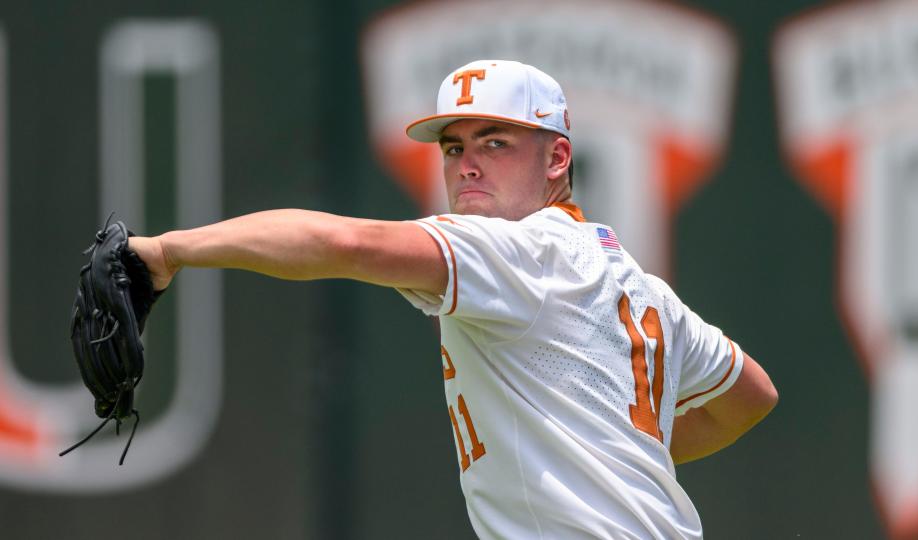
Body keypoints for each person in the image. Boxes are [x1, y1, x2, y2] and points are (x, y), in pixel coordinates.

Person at [129, 59, 777, 539]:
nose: (467, 163)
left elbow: (344, 242)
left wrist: (167, 251)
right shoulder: (636, 284)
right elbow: (749, 397)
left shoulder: (514, 251)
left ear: (557, 159)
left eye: (495, 142)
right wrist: (616, 452)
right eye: (453, 146)